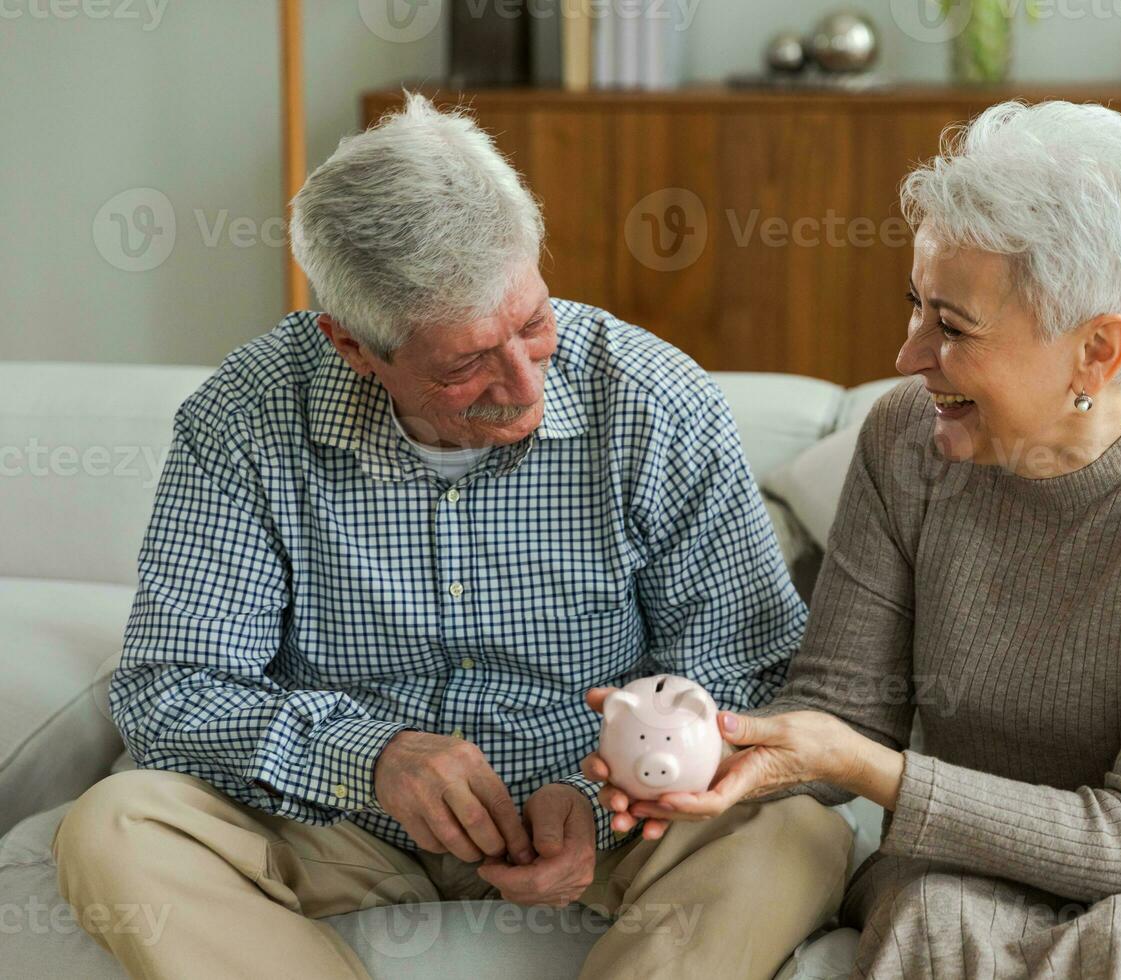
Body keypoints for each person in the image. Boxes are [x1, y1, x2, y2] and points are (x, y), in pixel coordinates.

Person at [584, 100, 1121, 978]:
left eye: (952, 327)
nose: (907, 355)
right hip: (990, 855)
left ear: (1097, 349)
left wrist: (876, 772)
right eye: (916, 308)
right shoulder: (904, 443)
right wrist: (711, 749)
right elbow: (843, 713)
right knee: (928, 924)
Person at [50, 92, 851, 980]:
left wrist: (603, 799)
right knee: (115, 827)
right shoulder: (244, 419)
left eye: (534, 324)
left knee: (797, 832)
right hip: (338, 825)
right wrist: (370, 757)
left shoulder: (656, 402)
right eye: (468, 363)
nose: (522, 383)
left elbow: (751, 680)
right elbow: (171, 689)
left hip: (615, 829)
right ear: (354, 348)